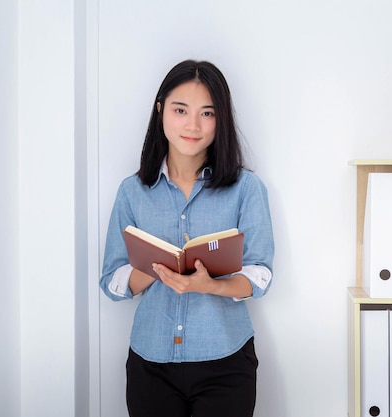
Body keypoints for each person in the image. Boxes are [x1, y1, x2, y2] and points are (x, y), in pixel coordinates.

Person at [99, 59, 275, 417]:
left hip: (226, 361)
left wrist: (212, 286)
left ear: (221, 119)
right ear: (161, 110)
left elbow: (260, 274)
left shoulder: (246, 189)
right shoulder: (132, 192)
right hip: (151, 363)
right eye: (181, 110)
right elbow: (112, 282)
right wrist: (156, 267)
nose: (193, 125)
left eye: (207, 113)